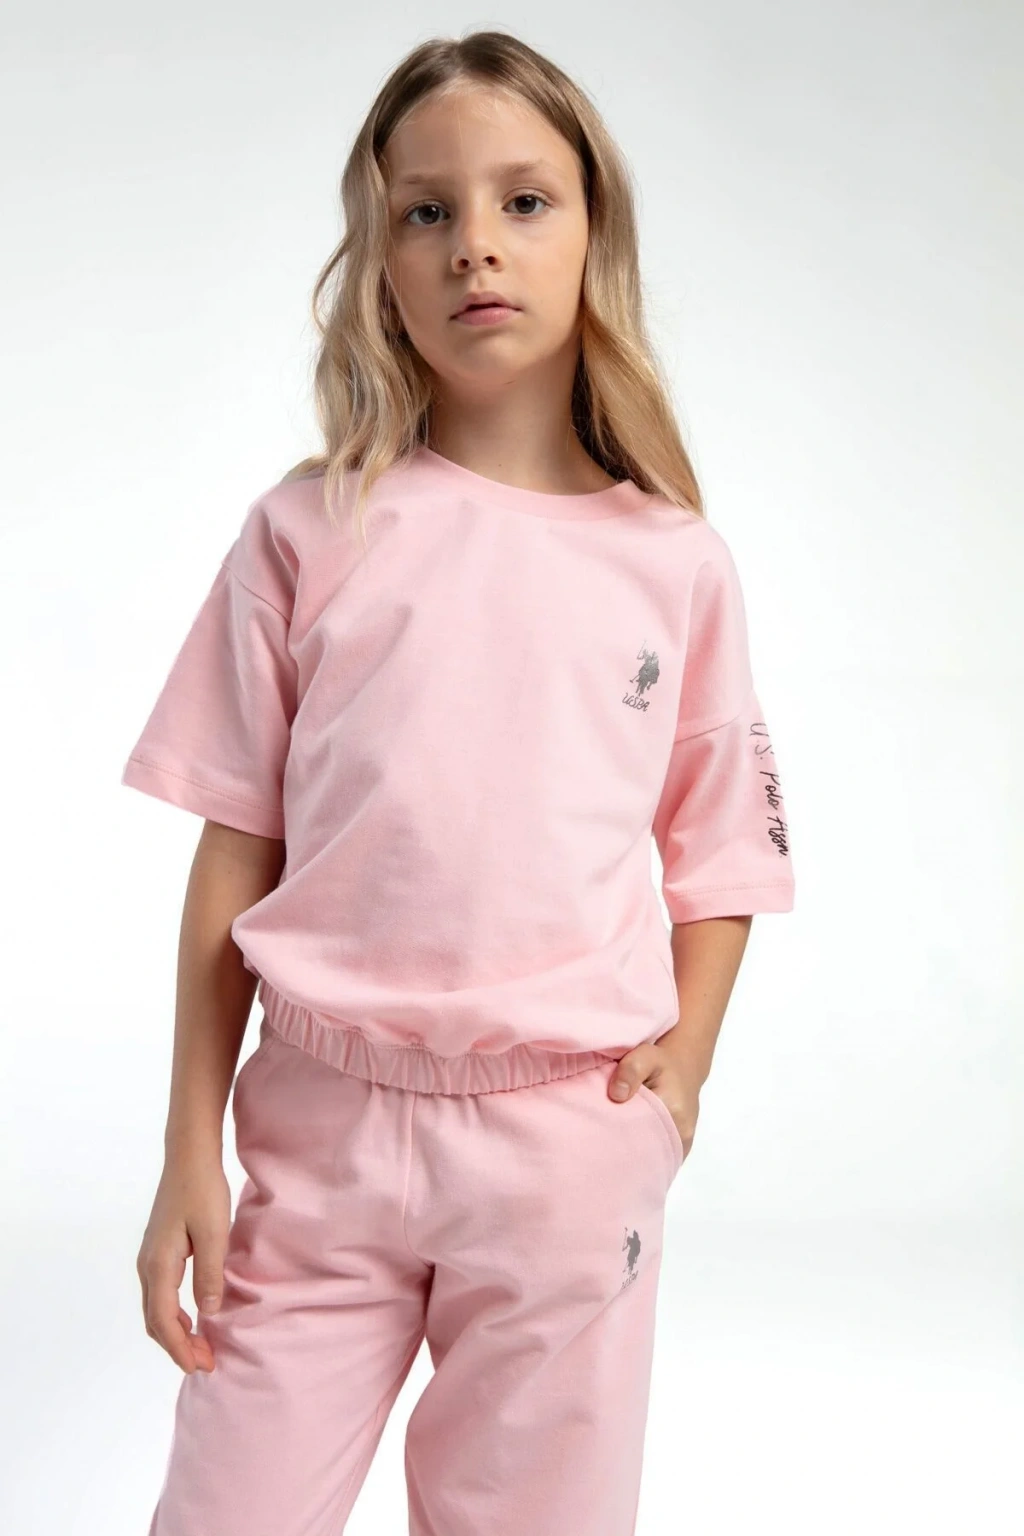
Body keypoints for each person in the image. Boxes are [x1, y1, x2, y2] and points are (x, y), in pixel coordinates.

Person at [122, 28, 795, 1536]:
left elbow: (723, 857)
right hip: (319, 1135)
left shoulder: (676, 564)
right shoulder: (310, 531)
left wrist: (676, 1081)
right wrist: (186, 1148)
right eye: (426, 211)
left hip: (564, 1153)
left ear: (594, 234)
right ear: (380, 260)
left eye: (523, 201)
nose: (473, 244)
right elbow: (234, 850)